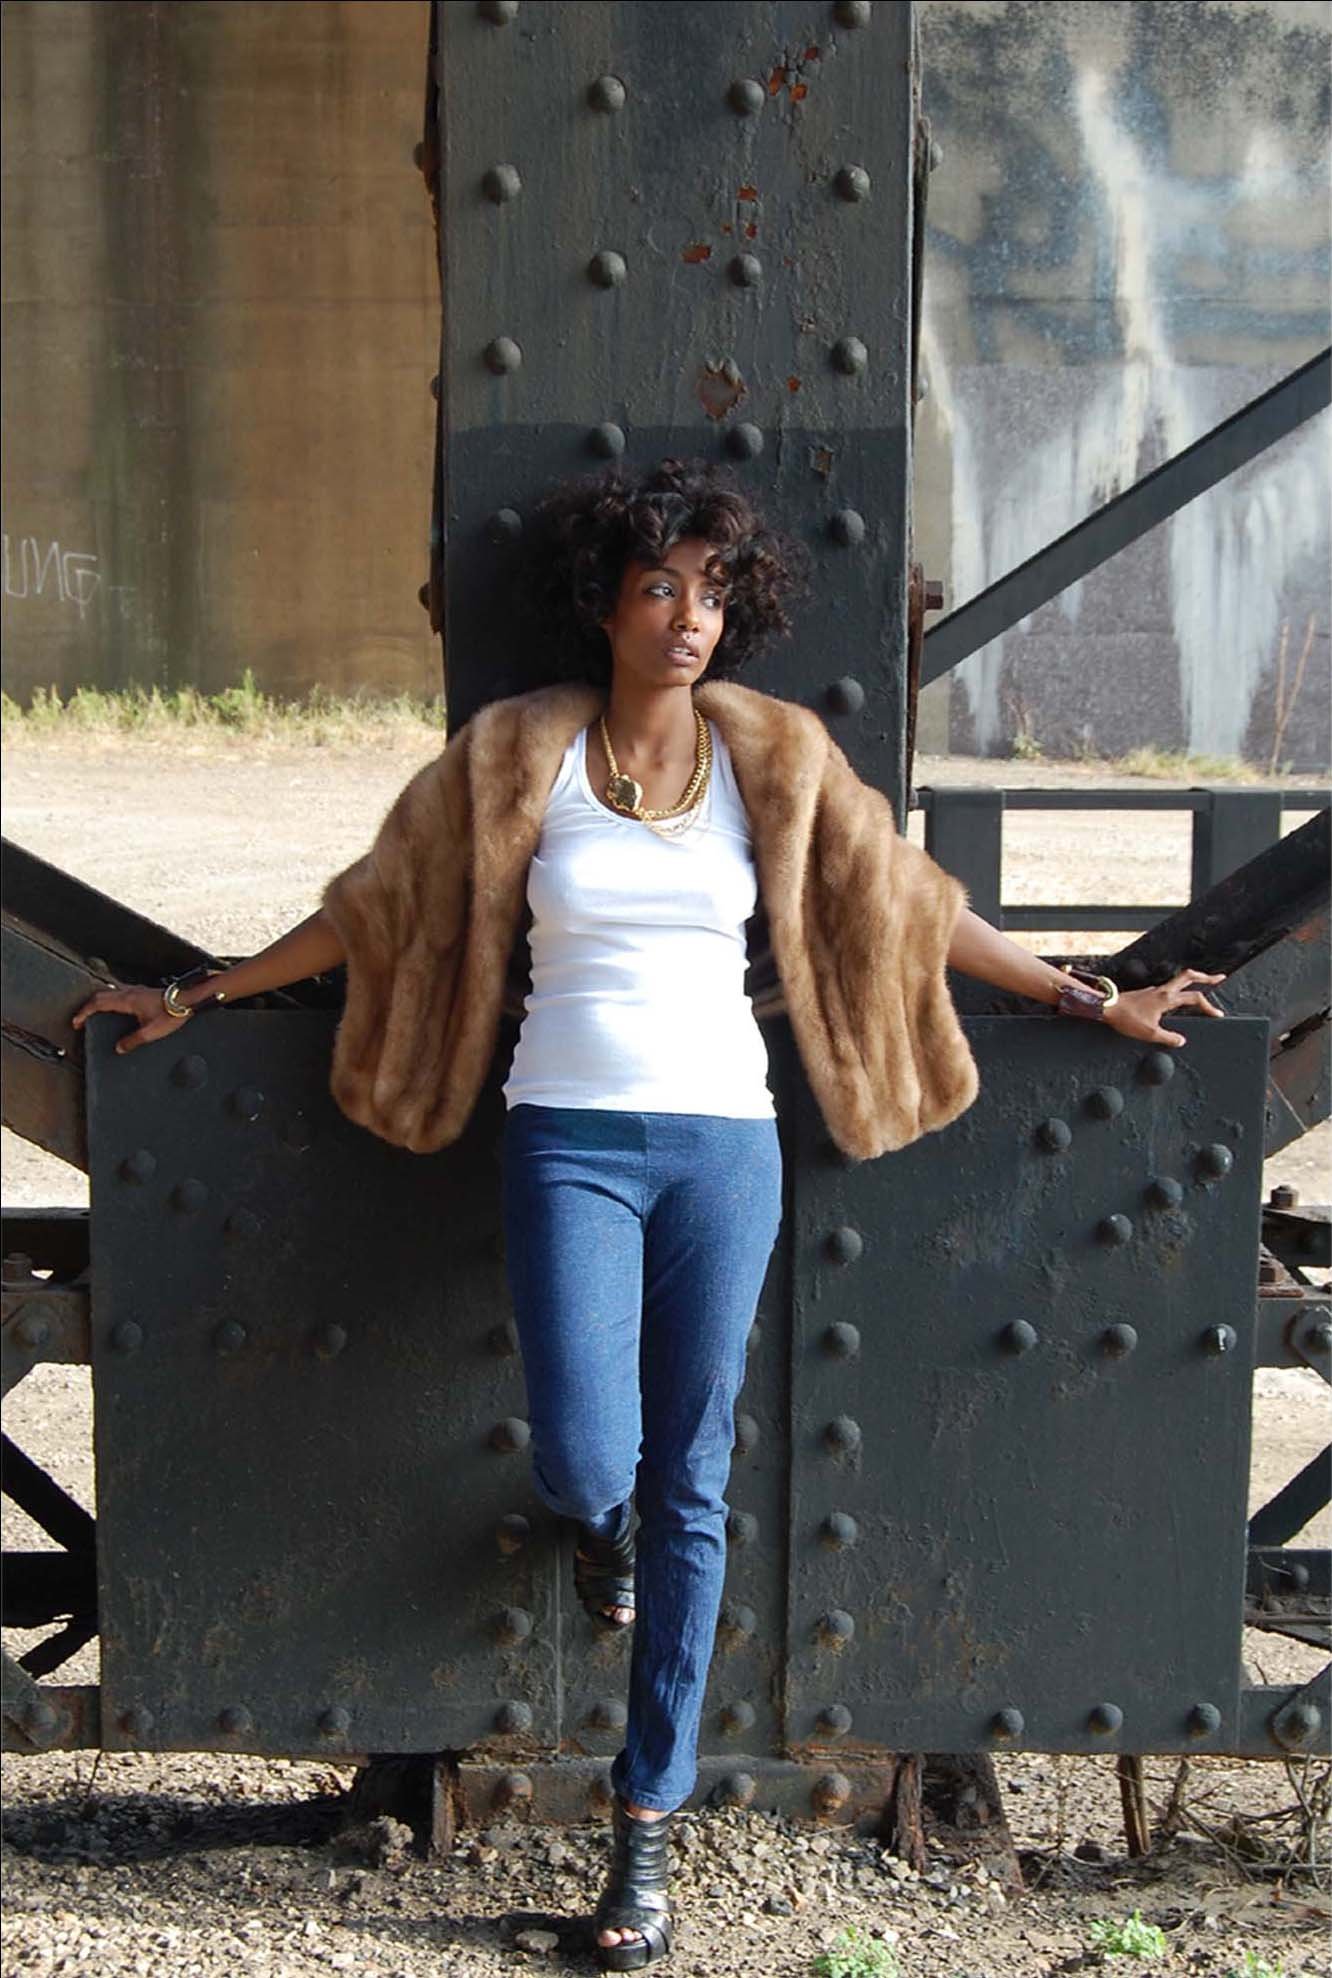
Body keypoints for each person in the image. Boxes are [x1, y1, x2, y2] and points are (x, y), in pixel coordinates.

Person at [72, 457, 1226, 1972]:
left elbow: (913, 901)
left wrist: (1093, 995)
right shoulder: (522, 755)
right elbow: (376, 906)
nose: (690, 618)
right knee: (585, 1446)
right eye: (662, 587)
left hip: (725, 1146)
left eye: (715, 592)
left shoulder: (771, 756)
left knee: (698, 1481)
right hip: (566, 1137)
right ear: (608, 605)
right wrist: (198, 989)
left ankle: (644, 1831)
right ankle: (592, 1525)